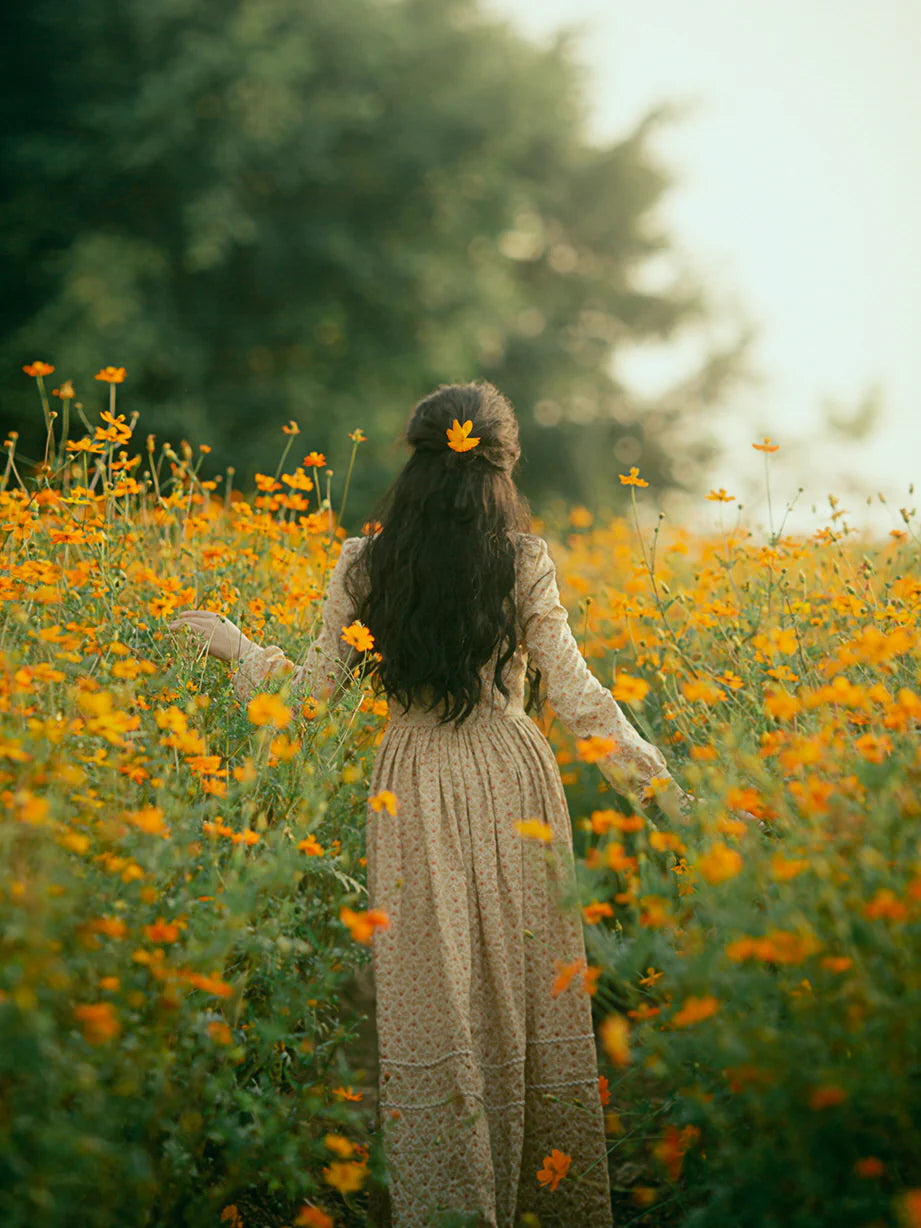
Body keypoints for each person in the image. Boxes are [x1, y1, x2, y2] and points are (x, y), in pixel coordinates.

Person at [170, 381, 689, 1228]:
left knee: (430, 1003)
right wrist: (670, 798)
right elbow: (583, 697)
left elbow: (310, 700)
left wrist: (236, 646)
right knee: (528, 997)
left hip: (411, 783)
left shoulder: (366, 564)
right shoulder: (522, 560)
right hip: (516, 780)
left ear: (414, 457)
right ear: (502, 465)